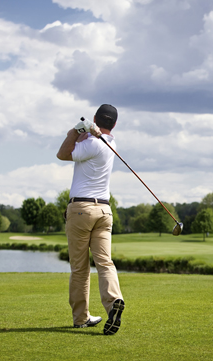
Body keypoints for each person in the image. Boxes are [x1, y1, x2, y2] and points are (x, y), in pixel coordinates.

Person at [57, 104, 125, 335]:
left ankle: (81, 318)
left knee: (79, 268)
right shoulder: (111, 144)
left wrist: (76, 129)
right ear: (114, 124)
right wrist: (88, 131)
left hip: (80, 209)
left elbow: (63, 153)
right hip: (104, 212)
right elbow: (89, 140)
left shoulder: (92, 143)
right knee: (105, 263)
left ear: (95, 118)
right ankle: (114, 300)